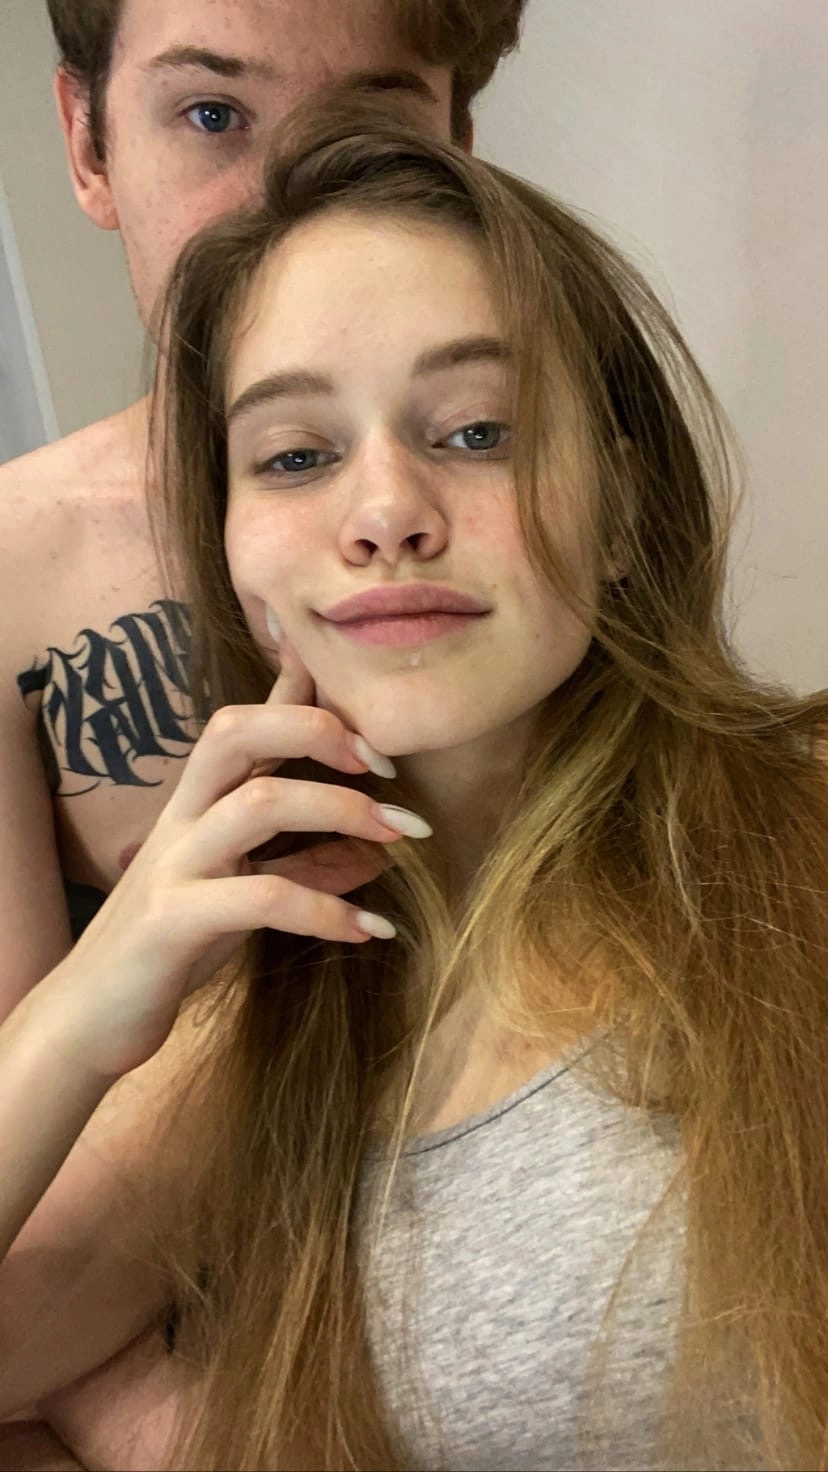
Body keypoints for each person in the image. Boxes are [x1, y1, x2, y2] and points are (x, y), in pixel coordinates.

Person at [0, 102, 827, 1471]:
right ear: (239, 571)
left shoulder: (800, 838)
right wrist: (91, 1002)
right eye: (296, 456)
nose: (385, 510)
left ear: (622, 510)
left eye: (478, 430)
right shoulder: (268, 1009)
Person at [0, 0, 527, 1013]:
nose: (295, 194)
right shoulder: (14, 564)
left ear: (458, 157)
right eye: (211, 116)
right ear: (89, 144)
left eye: (369, 128)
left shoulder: (554, 492)